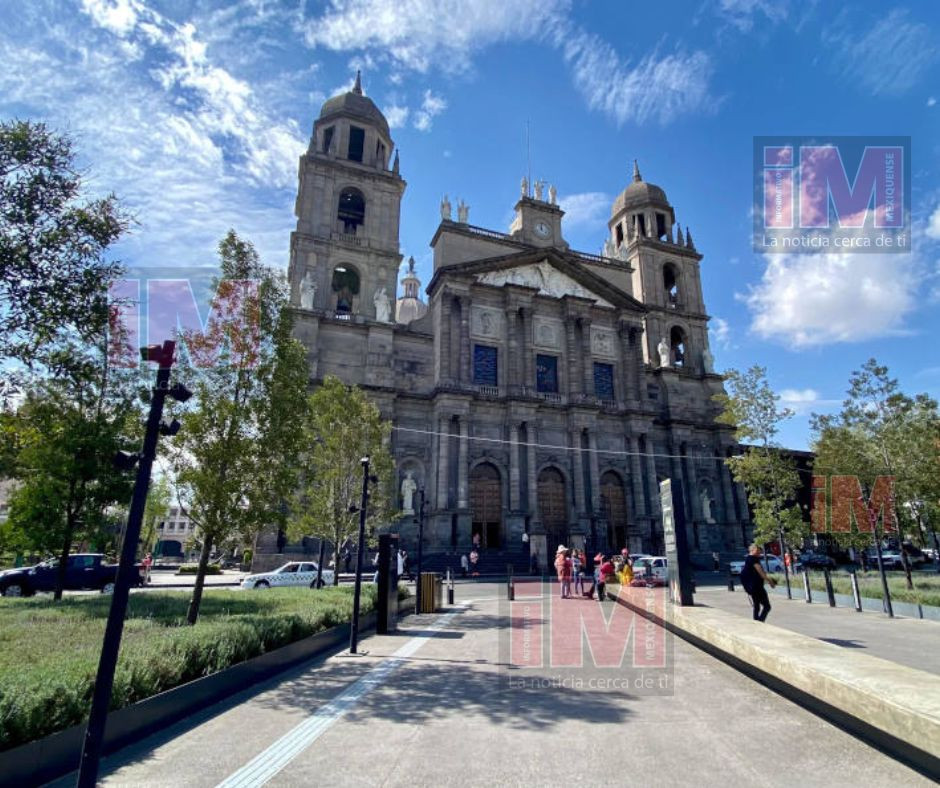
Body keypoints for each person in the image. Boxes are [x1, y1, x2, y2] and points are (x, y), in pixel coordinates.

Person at [740, 543, 776, 622]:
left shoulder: (748, 559)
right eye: (758, 550)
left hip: (752, 587)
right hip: (757, 587)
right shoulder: (753, 559)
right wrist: (770, 582)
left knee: (757, 606)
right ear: (752, 550)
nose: (759, 552)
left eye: (760, 551)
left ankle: (756, 622)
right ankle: (759, 622)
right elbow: (761, 573)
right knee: (767, 606)